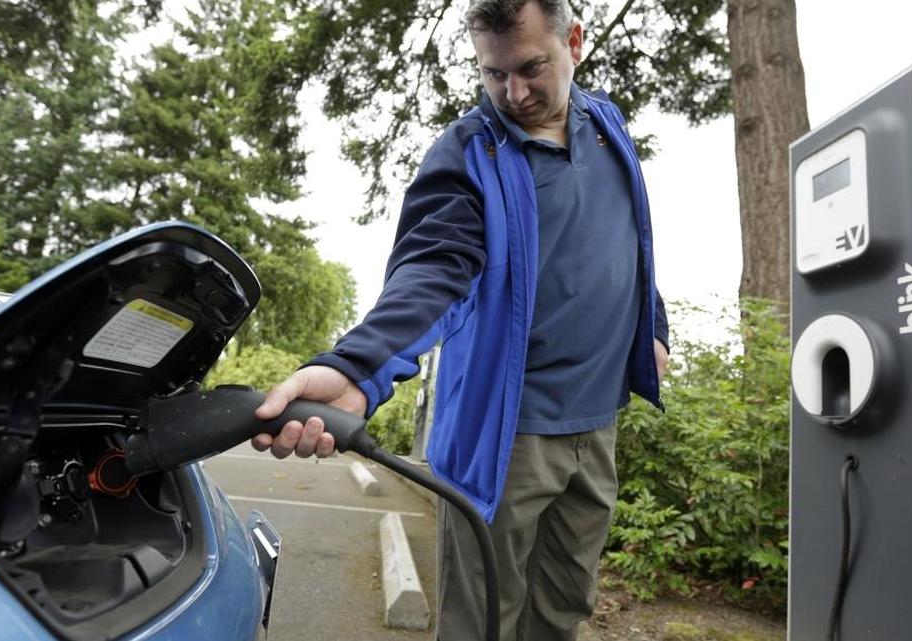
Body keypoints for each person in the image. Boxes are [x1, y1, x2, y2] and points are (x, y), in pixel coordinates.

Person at [251, 1, 669, 639]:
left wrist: (654, 327)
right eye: (494, 74)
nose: (514, 92)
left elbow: (629, 239)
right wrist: (358, 367)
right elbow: (433, 270)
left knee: (563, 611)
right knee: (482, 622)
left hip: (598, 423)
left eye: (531, 68)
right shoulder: (471, 152)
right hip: (508, 438)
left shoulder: (609, 125)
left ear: (574, 42)